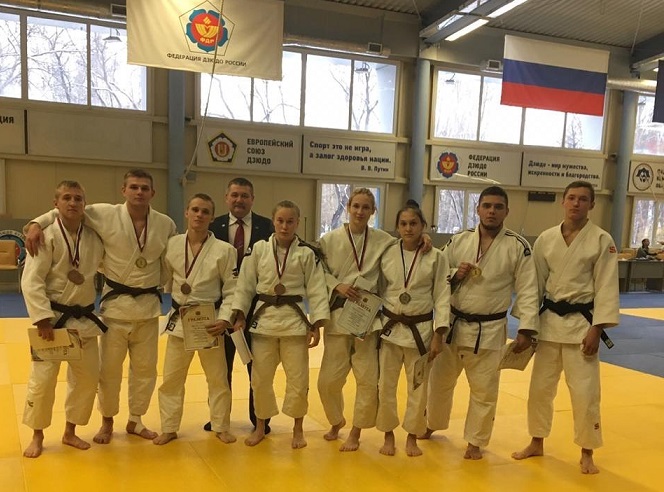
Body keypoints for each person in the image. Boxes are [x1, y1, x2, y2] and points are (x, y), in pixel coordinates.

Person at [25, 169, 177, 444]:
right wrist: (36, 223)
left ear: (153, 193)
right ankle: (102, 423)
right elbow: (65, 211)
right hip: (103, 311)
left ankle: (132, 420)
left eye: (144, 188)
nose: (139, 192)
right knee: (101, 372)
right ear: (123, 190)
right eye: (134, 187)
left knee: (135, 371)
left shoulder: (164, 224)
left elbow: (171, 258)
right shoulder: (103, 215)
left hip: (141, 308)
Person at [421, 186, 539, 460]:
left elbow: (528, 289)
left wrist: (526, 329)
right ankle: (431, 423)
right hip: (452, 325)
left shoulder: (518, 246)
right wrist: (454, 273)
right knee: (438, 382)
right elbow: (436, 270)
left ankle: (475, 441)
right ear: (478, 209)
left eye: (498, 207)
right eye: (487, 206)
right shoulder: (460, 239)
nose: (491, 211)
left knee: (484, 390)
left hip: (489, 330)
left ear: (507, 211)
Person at [512, 181, 620, 474]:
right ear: (563, 201)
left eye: (583, 199)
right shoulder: (546, 239)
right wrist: (527, 326)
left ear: (592, 205)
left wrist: (597, 328)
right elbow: (533, 286)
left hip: (582, 326)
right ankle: (536, 441)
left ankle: (587, 451)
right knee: (540, 390)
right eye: (571, 198)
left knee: (585, 393)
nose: (576, 203)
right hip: (548, 325)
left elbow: (607, 287)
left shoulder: (601, 240)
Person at [231, 200, 329, 449]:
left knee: (298, 379)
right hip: (263, 322)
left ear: (297, 223)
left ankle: (298, 428)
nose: (285, 226)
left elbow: (317, 289)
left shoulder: (306, 254)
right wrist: (239, 314)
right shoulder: (259, 249)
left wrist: (316, 324)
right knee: (260, 380)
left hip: (294, 323)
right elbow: (245, 284)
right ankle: (260, 426)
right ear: (273, 222)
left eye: (290, 221)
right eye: (280, 221)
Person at [21, 180, 105, 458]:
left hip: (84, 319)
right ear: (55, 203)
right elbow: (32, 281)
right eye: (67, 198)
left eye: (78, 198)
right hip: (53, 320)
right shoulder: (44, 236)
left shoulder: (94, 236)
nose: (73, 203)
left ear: (85, 204)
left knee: (87, 378)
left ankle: (70, 431)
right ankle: (37, 435)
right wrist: (42, 319)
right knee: (43, 380)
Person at [317, 188, 399, 452]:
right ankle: (336, 420)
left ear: (373, 211)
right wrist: (336, 284)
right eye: (356, 206)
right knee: (327, 382)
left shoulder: (385, 240)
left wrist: (425, 240)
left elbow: (408, 249)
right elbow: (316, 272)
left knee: (367, 380)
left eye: (366, 207)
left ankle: (356, 431)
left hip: (367, 318)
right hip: (338, 316)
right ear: (348, 207)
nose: (360, 212)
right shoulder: (328, 240)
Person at [153, 194, 237, 446]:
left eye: (205, 211)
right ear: (186, 213)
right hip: (180, 319)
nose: (199, 215)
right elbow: (163, 278)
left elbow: (232, 290)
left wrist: (225, 319)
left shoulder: (225, 250)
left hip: (210, 323)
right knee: (171, 379)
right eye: (195, 210)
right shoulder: (172, 245)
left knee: (218, 379)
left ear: (212, 217)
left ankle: (221, 426)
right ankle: (169, 427)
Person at [376, 201, 450, 457]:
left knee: (418, 388)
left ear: (423, 226)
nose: (408, 228)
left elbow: (442, 296)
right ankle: (388, 434)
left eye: (414, 224)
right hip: (390, 331)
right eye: (403, 224)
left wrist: (439, 334)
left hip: (421, 333)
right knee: (385, 386)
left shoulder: (437, 256)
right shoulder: (387, 252)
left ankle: (412, 436)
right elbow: (377, 288)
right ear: (397, 227)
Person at [205, 177, 274, 434]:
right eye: (234, 195)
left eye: (244, 195)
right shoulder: (214, 226)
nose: (239, 200)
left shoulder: (267, 226)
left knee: (258, 367)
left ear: (252, 199)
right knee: (219, 368)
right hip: (221, 307)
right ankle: (219, 417)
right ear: (226, 198)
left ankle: (260, 419)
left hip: (256, 309)